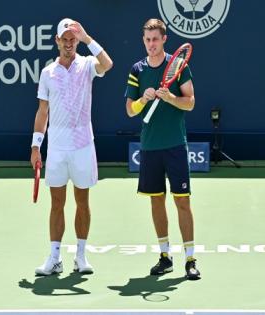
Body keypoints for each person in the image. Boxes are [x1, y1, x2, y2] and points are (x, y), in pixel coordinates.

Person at [30, 18, 113, 276]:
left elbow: (108, 64)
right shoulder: (47, 73)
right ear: (57, 41)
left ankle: (80, 255)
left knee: (82, 201)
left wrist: (88, 39)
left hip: (83, 145)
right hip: (56, 146)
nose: (68, 43)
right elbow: (42, 112)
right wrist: (36, 147)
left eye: (73, 39)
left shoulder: (87, 65)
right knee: (57, 203)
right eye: (65, 39)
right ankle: (55, 258)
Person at [124, 18, 200, 279]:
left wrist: (171, 98)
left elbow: (190, 103)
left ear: (164, 39)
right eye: (147, 40)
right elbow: (129, 111)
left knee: (182, 202)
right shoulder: (137, 69)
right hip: (150, 148)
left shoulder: (178, 65)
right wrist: (142, 101)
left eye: (155, 39)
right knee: (157, 202)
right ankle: (165, 256)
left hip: (175, 145)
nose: (151, 44)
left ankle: (190, 259)